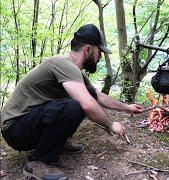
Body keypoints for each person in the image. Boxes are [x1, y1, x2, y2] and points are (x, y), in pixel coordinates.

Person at [0, 24, 143, 180]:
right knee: (75, 106)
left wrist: (127, 108)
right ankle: (38, 162)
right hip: (14, 129)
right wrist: (110, 124)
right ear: (88, 49)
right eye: (99, 52)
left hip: (27, 124)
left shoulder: (72, 69)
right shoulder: (63, 64)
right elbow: (88, 104)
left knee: (80, 99)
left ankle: (55, 144)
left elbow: (97, 96)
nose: (100, 57)